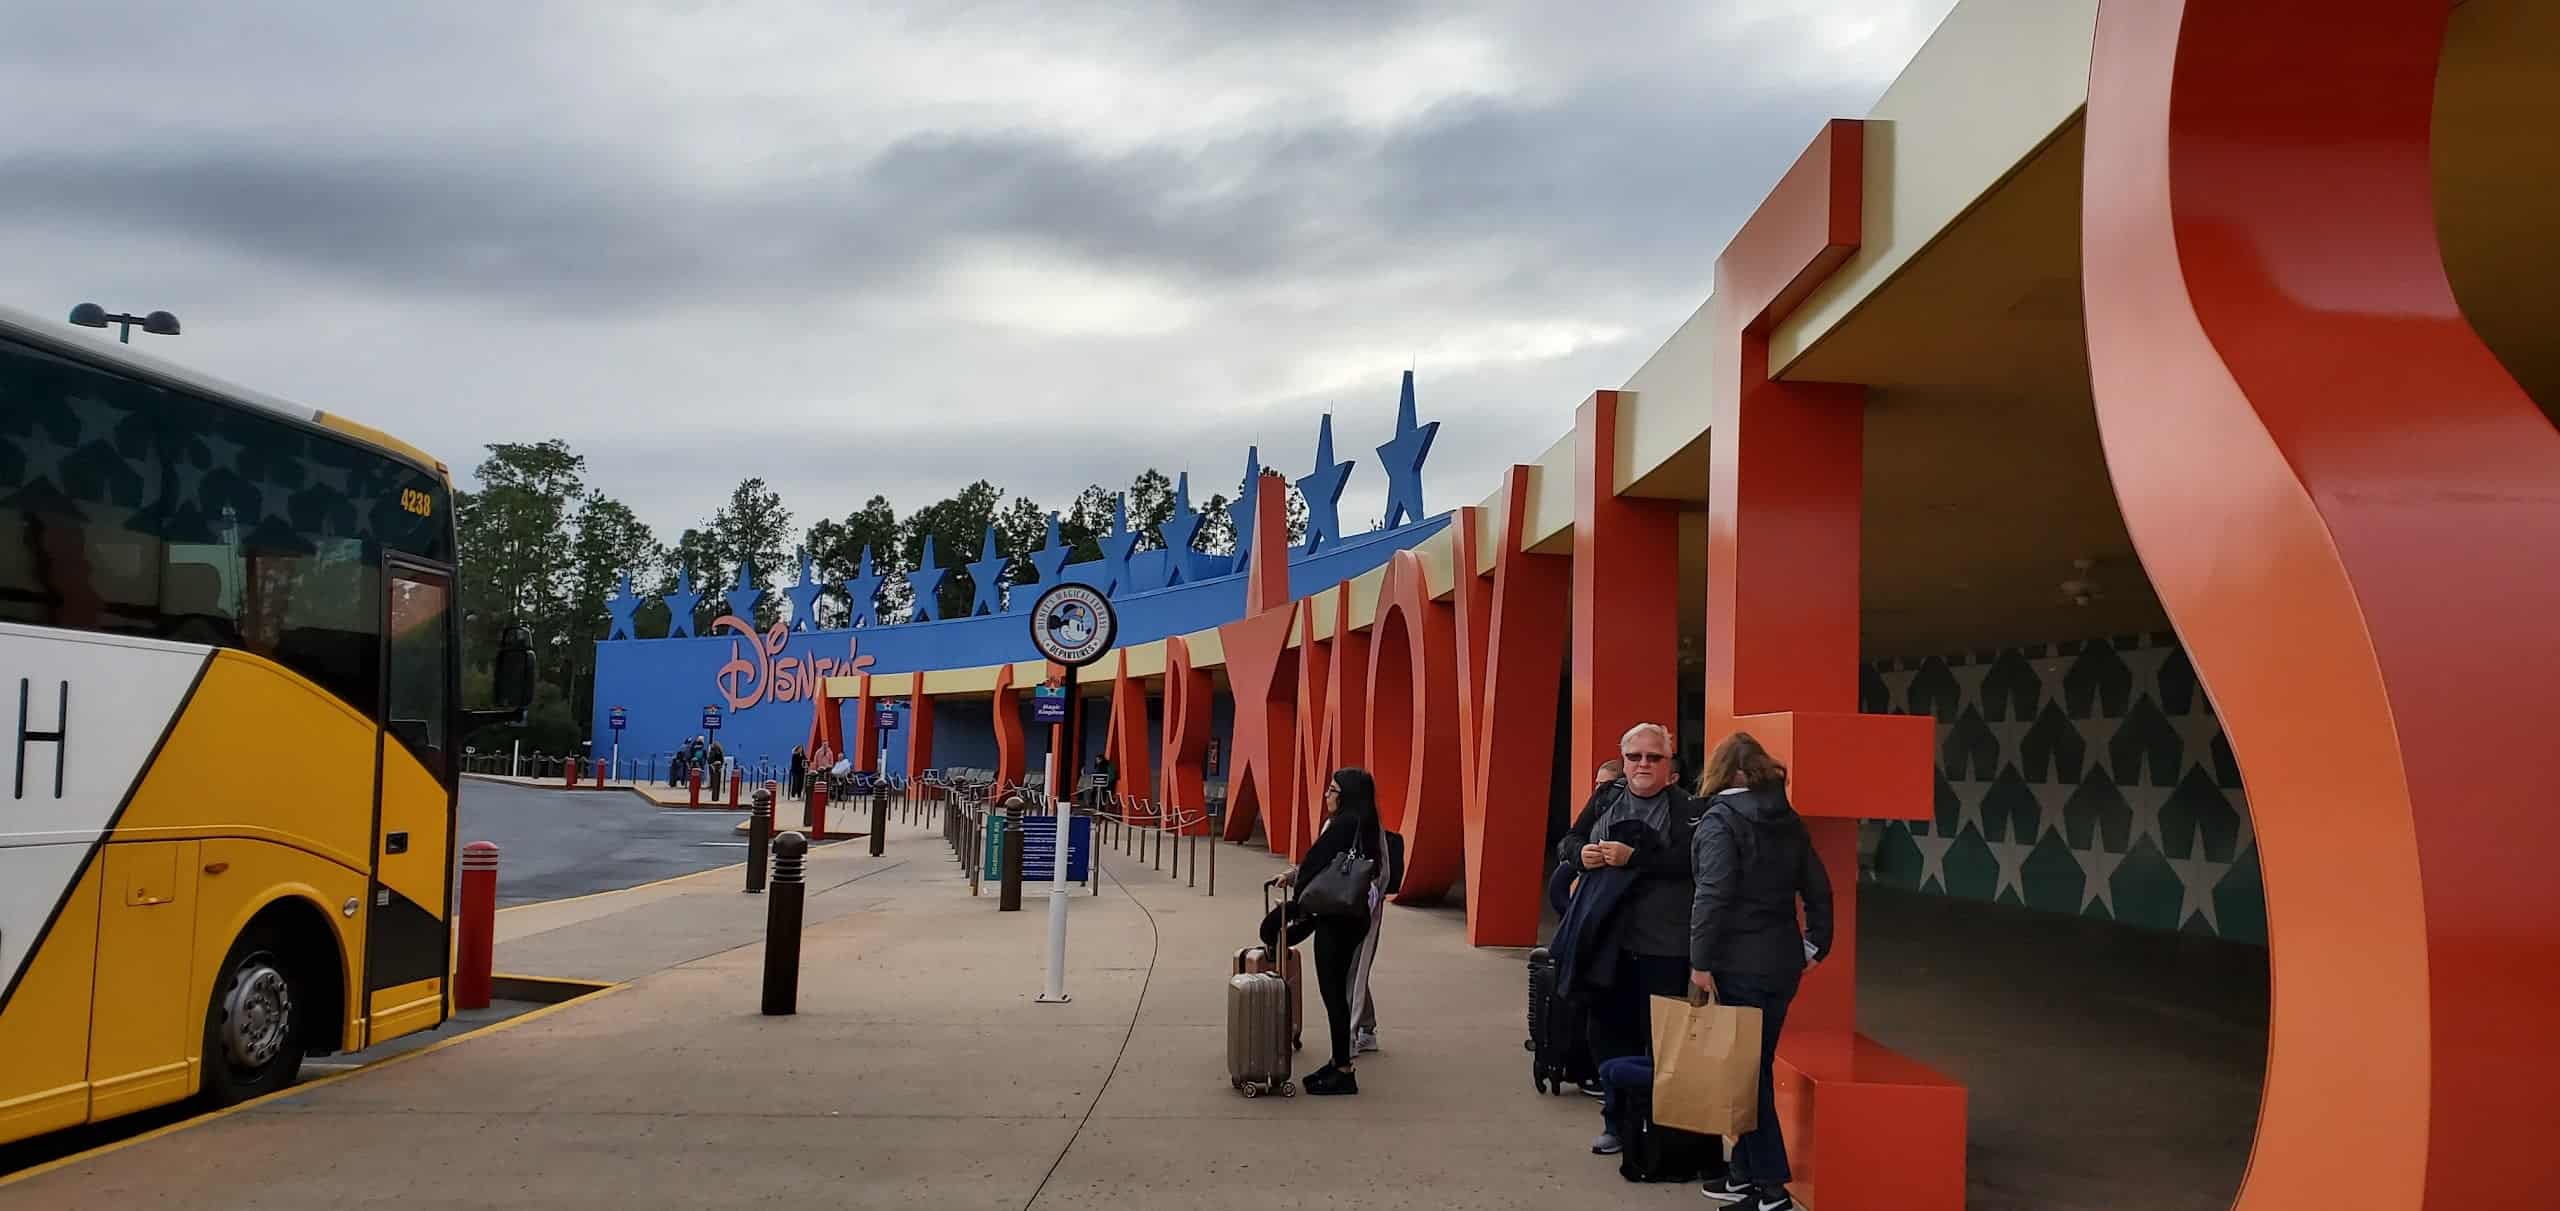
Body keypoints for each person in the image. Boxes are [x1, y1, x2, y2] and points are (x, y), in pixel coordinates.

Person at [1690, 732, 1833, 1211]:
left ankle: (1771, 1191)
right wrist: (1816, 944)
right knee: (1752, 1068)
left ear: (1722, 771)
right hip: (1781, 962)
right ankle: (1743, 1175)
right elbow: (1819, 887)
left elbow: (1712, 895)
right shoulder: (1788, 820)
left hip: (1737, 964)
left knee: (1748, 1077)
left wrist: (1700, 961)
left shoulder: (1720, 820)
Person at [1550, 722, 1705, 1155]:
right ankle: (1616, 1124)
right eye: (1634, 757)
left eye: (1654, 757)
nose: (1643, 764)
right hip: (1606, 942)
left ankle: (1659, 1130)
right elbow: (1570, 839)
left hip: (1664, 946)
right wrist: (1579, 854)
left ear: (1669, 764)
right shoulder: (1607, 797)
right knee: (1607, 1033)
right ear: (1623, 761)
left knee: (1662, 1042)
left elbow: (1693, 863)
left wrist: (1635, 858)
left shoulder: (1688, 809)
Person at [1259, 768, 1386, 1096]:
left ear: (1346, 795)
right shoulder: (1367, 824)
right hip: (1353, 916)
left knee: (1333, 994)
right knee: (1338, 991)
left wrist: (1298, 902)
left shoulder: (1343, 824)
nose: (1327, 795)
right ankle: (1338, 1062)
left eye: (1332, 790)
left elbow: (1316, 861)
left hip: (1335, 918)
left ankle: (1343, 1070)